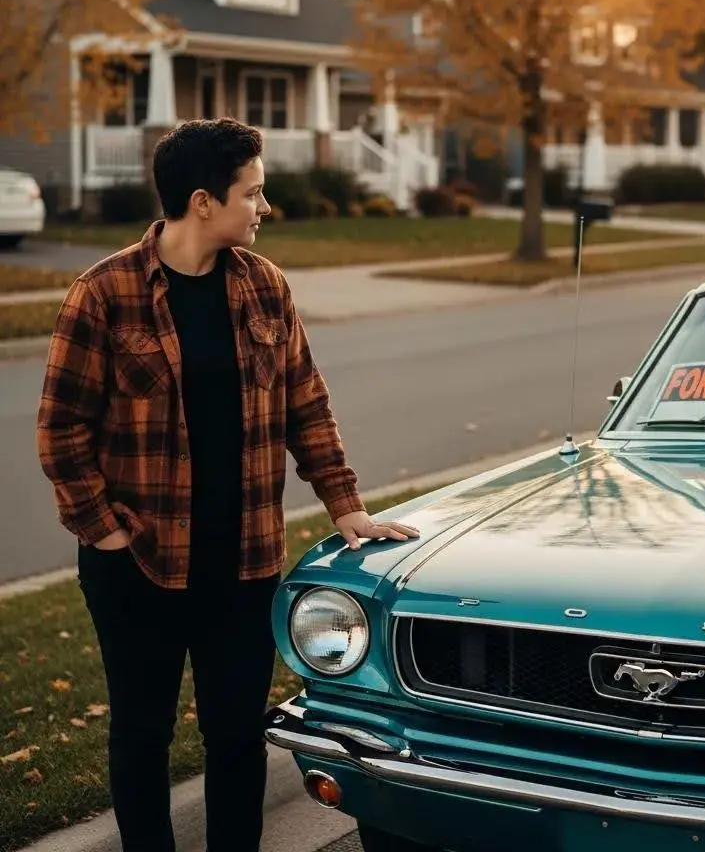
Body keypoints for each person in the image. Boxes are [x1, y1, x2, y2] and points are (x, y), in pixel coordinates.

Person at [36, 117, 419, 852]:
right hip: (136, 566)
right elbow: (61, 429)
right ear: (204, 201)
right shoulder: (105, 293)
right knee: (142, 735)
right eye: (253, 193)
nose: (263, 207)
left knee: (237, 735)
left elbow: (307, 404)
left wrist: (347, 507)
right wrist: (106, 532)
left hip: (242, 565)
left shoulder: (265, 288)